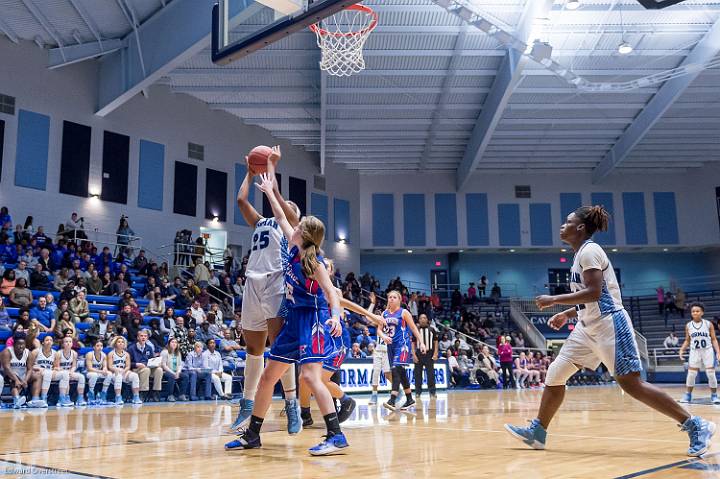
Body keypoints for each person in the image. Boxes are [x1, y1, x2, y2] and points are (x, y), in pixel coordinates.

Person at [505, 205, 714, 457]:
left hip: (609, 325)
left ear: (580, 227)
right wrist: (568, 313)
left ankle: (696, 425)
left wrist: (554, 300)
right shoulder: (580, 254)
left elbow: (595, 292)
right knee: (555, 373)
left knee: (631, 385)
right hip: (587, 327)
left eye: (567, 221)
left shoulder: (590, 251)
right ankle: (538, 432)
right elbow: (592, 297)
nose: (563, 225)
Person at [225, 170, 348, 456]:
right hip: (294, 322)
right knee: (268, 377)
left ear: (304, 235)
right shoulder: (292, 249)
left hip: (313, 320)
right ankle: (252, 434)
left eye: (298, 226)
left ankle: (336, 435)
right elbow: (281, 215)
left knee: (310, 377)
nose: (290, 226)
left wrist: (336, 316)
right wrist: (269, 190)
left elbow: (331, 292)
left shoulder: (314, 261)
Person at [228, 146, 303, 435]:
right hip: (252, 283)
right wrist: (249, 173)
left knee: (279, 348)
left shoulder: (293, 224)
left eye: (290, 205)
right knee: (253, 348)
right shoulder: (261, 222)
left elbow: (281, 204)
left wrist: (271, 167)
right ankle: (247, 405)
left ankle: (292, 403)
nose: (287, 206)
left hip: (276, 283)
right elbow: (240, 199)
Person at [381, 290, 427, 412]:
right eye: (389, 297)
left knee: (396, 369)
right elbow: (378, 330)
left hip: (402, 345)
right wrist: (383, 336)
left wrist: (421, 342)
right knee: (401, 372)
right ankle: (409, 399)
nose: (391, 299)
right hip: (390, 346)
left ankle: (392, 399)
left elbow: (413, 328)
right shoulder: (384, 314)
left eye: (394, 297)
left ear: (399, 300)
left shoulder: (404, 312)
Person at [678, 303, 720, 404]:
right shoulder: (688, 325)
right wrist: (681, 350)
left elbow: (714, 339)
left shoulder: (708, 324)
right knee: (691, 374)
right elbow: (687, 340)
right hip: (694, 352)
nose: (695, 313)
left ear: (702, 312)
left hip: (708, 351)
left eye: (697, 311)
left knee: (710, 374)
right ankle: (688, 395)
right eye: (693, 311)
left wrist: (718, 351)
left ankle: (714, 396)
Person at [128, 330, 163, 402]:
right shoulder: (131, 348)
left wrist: (156, 363)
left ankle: (156, 391)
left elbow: (151, 360)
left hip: (148, 368)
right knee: (146, 370)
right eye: (141, 336)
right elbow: (128, 364)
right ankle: (142, 392)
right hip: (136, 369)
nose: (143, 337)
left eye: (145, 336)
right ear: (138, 337)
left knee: (159, 370)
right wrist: (136, 364)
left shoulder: (149, 348)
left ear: (147, 338)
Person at [1, 332, 33, 408]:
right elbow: (6, 368)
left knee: (37, 376)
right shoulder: (7, 352)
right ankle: (16, 399)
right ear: (14, 344)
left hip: (22, 374)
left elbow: (30, 369)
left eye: (23, 344)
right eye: (19, 344)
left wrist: (25, 380)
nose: (21, 346)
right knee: (14, 380)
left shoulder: (28, 353)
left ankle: (35, 398)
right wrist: (16, 379)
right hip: (8, 374)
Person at [107, 336, 142, 405]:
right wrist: (117, 370)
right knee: (119, 377)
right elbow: (110, 366)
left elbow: (128, 366)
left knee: (135, 376)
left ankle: (136, 397)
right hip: (114, 373)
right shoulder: (111, 354)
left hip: (124, 372)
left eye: (122, 342)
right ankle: (118, 397)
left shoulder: (126, 354)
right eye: (119, 342)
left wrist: (124, 371)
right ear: (115, 343)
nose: (121, 343)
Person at [54, 336, 87, 407]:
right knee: (65, 376)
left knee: (81, 377)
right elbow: (56, 367)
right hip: (60, 373)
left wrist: (71, 372)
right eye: (66, 342)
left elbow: (74, 366)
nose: (68, 343)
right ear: (63, 344)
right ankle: (63, 398)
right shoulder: (59, 353)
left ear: (72, 344)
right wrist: (66, 372)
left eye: (70, 342)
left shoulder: (74, 353)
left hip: (69, 372)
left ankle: (80, 398)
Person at [413, 313, 438, 397]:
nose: (423, 319)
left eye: (424, 318)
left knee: (430, 374)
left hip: (429, 353)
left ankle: (432, 392)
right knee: (417, 374)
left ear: (427, 320)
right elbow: (412, 343)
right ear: (419, 320)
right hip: (418, 354)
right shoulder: (416, 330)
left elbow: (435, 342)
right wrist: (414, 355)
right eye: (421, 318)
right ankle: (417, 392)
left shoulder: (432, 329)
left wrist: (435, 353)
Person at [85, 339, 113, 404]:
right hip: (88, 373)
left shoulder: (103, 355)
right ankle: (90, 394)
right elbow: (89, 368)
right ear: (93, 347)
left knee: (109, 374)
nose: (100, 347)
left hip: (98, 372)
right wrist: (101, 371)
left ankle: (103, 394)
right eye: (97, 346)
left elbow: (105, 366)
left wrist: (105, 369)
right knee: (94, 375)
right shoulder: (89, 354)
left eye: (101, 346)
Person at [161, 337, 189, 402]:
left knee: (185, 376)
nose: (174, 344)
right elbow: (164, 365)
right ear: (169, 344)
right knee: (172, 376)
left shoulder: (178, 353)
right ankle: (169, 395)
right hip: (166, 371)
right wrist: (173, 373)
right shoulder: (164, 352)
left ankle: (181, 395)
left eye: (175, 342)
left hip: (175, 371)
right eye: (172, 342)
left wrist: (178, 372)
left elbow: (180, 365)